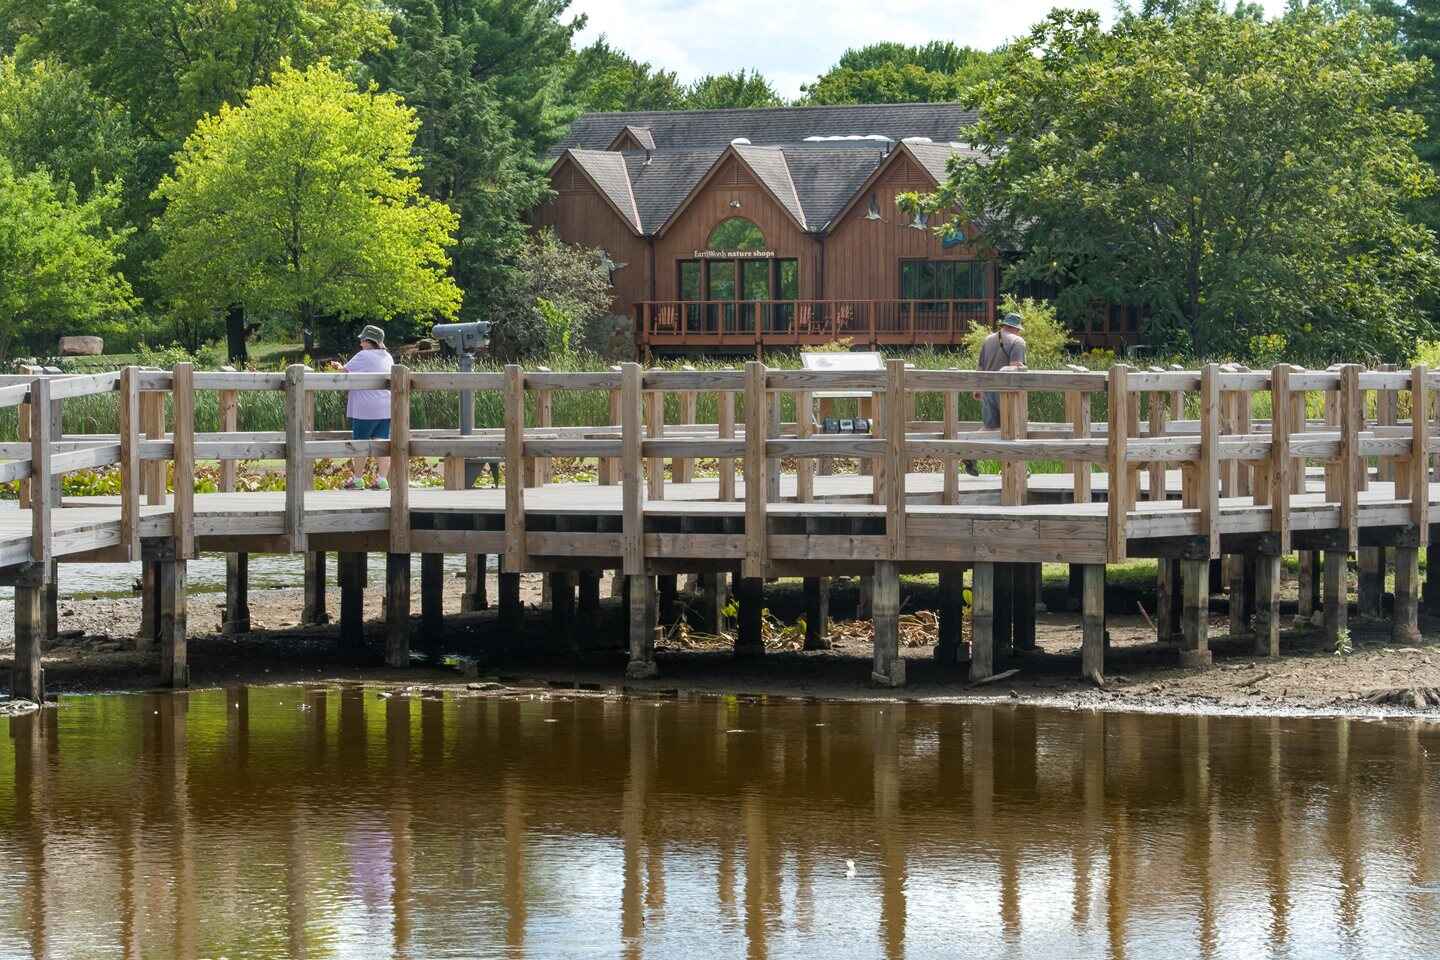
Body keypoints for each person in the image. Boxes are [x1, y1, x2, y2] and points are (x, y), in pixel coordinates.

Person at [964, 312, 1028, 477]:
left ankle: (968, 451)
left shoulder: (988, 339)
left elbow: (980, 366)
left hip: (987, 389)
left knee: (990, 427)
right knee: (1014, 428)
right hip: (1006, 392)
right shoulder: (1018, 342)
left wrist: (977, 388)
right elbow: (1013, 368)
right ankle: (1015, 468)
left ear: (1004, 325)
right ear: (1016, 328)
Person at [338, 325, 394, 490]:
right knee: (381, 443)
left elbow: (344, 374)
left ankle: (357, 479)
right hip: (385, 407)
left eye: (363, 340)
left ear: (370, 342)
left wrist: (338, 367)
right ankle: (382, 480)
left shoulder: (363, 355)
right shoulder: (388, 357)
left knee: (360, 443)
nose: (361, 343)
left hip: (365, 409)